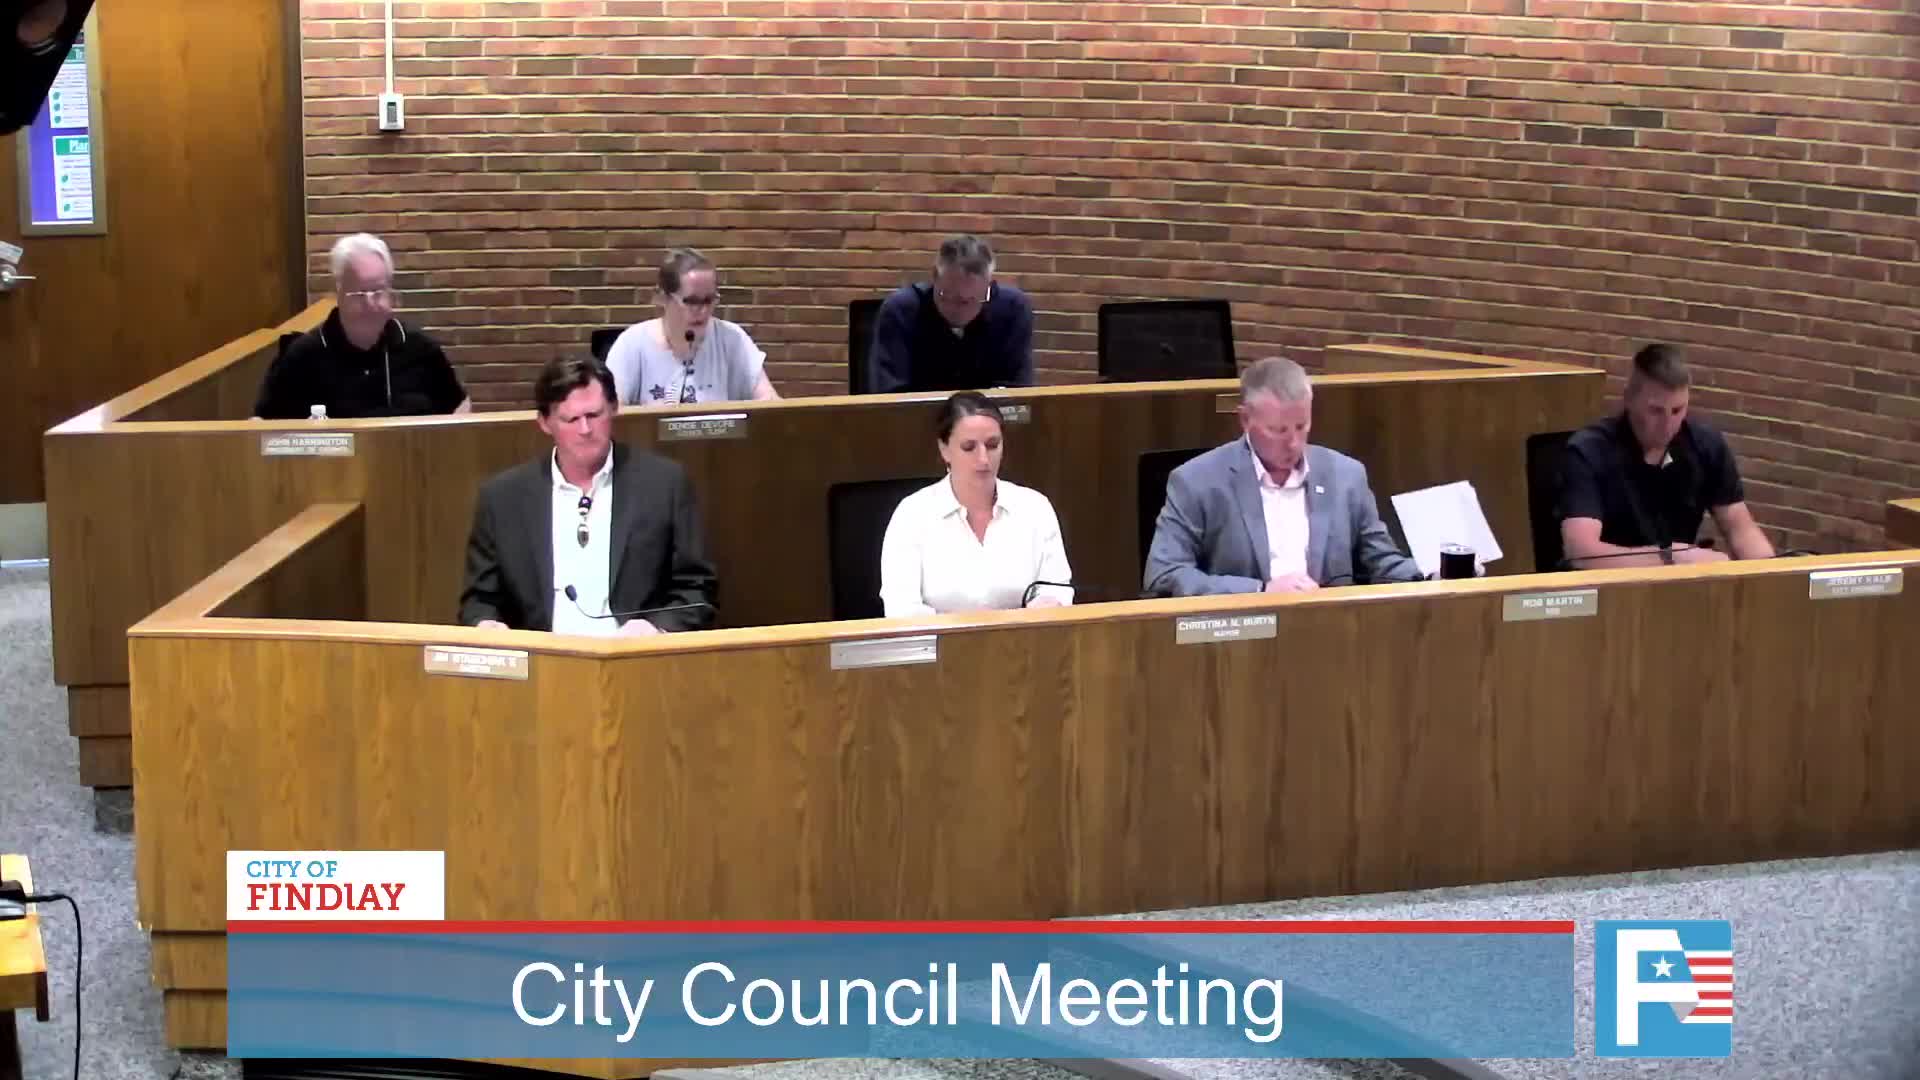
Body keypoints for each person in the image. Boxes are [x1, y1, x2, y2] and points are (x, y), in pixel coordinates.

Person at [459, 354, 717, 635]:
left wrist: (656, 628)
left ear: (614, 409)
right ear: (544, 423)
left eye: (594, 415)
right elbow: (478, 601)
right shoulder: (503, 499)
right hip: (544, 656)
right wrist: (485, 624)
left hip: (633, 653)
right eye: (571, 419)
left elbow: (698, 591)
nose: (585, 430)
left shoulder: (664, 484)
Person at [1144, 356, 1423, 596]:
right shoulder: (1196, 481)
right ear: (1245, 420)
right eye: (1278, 430)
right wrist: (1260, 591)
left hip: (1330, 628)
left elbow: (1382, 563)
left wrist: (1433, 572)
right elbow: (1164, 573)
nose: (1294, 443)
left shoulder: (1346, 476)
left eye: (1301, 426)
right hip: (1245, 632)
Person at [1558, 343, 1774, 568]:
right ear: (1629, 399)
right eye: (1656, 411)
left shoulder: (1705, 445)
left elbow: (1740, 528)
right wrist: (1670, 557)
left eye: (1678, 410)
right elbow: (1581, 552)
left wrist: (1772, 572)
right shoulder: (1589, 451)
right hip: (1607, 583)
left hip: (1677, 582)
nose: (1668, 424)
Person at [879, 392, 1072, 616]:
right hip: (940, 640)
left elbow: (1058, 589)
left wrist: (1050, 604)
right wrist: (966, 626)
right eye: (969, 447)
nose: (983, 459)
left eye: (992, 445)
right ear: (944, 449)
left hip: (1023, 637)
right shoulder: (912, 515)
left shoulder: (1035, 507)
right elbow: (900, 608)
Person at [254, 233, 471, 419]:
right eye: (359, 293)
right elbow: (261, 425)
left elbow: (459, 406)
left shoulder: (421, 349)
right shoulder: (301, 356)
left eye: (377, 291)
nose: (370, 303)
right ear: (339, 293)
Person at [605, 248, 777, 406]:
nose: (703, 311)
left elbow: (770, 403)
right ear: (663, 298)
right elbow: (611, 412)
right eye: (692, 301)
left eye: (709, 300)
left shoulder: (732, 338)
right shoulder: (632, 343)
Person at [869, 234, 1035, 394]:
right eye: (948, 296)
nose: (959, 310)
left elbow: (1018, 393)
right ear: (935, 276)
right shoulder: (901, 311)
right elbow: (889, 394)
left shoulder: (1012, 309)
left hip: (988, 413)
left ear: (989, 286)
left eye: (971, 300)